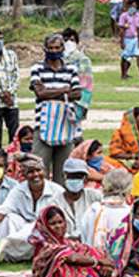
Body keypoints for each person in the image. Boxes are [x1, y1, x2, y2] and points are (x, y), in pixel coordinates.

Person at [30, 205, 139, 277]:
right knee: (69, 268)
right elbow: (72, 257)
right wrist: (98, 262)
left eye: (60, 222)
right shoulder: (45, 246)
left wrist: (105, 265)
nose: (58, 226)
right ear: (44, 226)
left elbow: (89, 251)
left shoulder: (68, 242)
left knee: (88, 259)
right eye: (53, 224)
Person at [0, 156, 65, 265]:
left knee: (37, 224)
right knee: (10, 218)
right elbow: (1, 212)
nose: (35, 175)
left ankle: (4, 244)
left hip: (47, 236)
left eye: (38, 170)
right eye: (30, 172)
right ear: (24, 175)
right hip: (24, 237)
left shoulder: (57, 191)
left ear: (44, 172)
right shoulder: (19, 190)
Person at [29, 33, 81, 184]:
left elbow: (77, 94)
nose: (54, 51)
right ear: (45, 49)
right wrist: (64, 90)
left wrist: (49, 92)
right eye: (50, 48)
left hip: (65, 124)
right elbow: (40, 93)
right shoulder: (37, 68)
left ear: (63, 48)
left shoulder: (71, 68)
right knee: (39, 169)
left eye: (57, 47)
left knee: (63, 173)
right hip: (43, 125)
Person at [57, 157, 103, 239]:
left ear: (85, 179)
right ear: (64, 177)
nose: (75, 179)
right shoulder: (54, 201)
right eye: (72, 176)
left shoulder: (95, 196)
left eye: (79, 176)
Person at [108, 108, 139, 172]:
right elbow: (114, 153)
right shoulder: (119, 133)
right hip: (125, 162)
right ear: (133, 120)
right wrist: (134, 157)